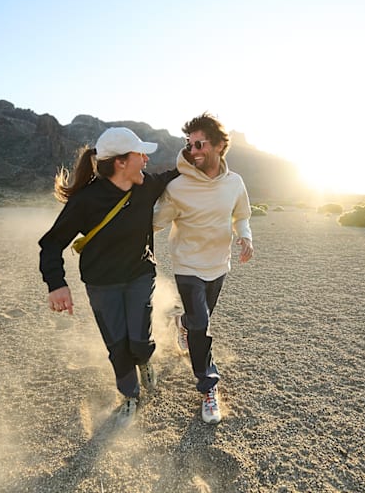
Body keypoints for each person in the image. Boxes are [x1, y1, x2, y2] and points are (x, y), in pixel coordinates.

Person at [38, 127, 178, 428]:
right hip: (102, 285)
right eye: (140, 155)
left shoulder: (146, 186)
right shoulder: (86, 201)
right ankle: (129, 396)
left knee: (139, 343)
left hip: (140, 275)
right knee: (117, 345)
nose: (146, 160)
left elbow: (175, 174)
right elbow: (51, 244)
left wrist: (202, 154)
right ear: (121, 162)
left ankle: (145, 360)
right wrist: (57, 284)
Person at [153, 112, 254, 424]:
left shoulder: (235, 183)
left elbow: (242, 216)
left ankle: (182, 322)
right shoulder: (178, 186)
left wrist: (246, 237)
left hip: (218, 264)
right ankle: (208, 386)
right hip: (187, 265)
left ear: (220, 146)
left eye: (200, 143)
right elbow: (156, 221)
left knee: (200, 318)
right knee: (203, 326)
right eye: (189, 144)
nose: (193, 150)